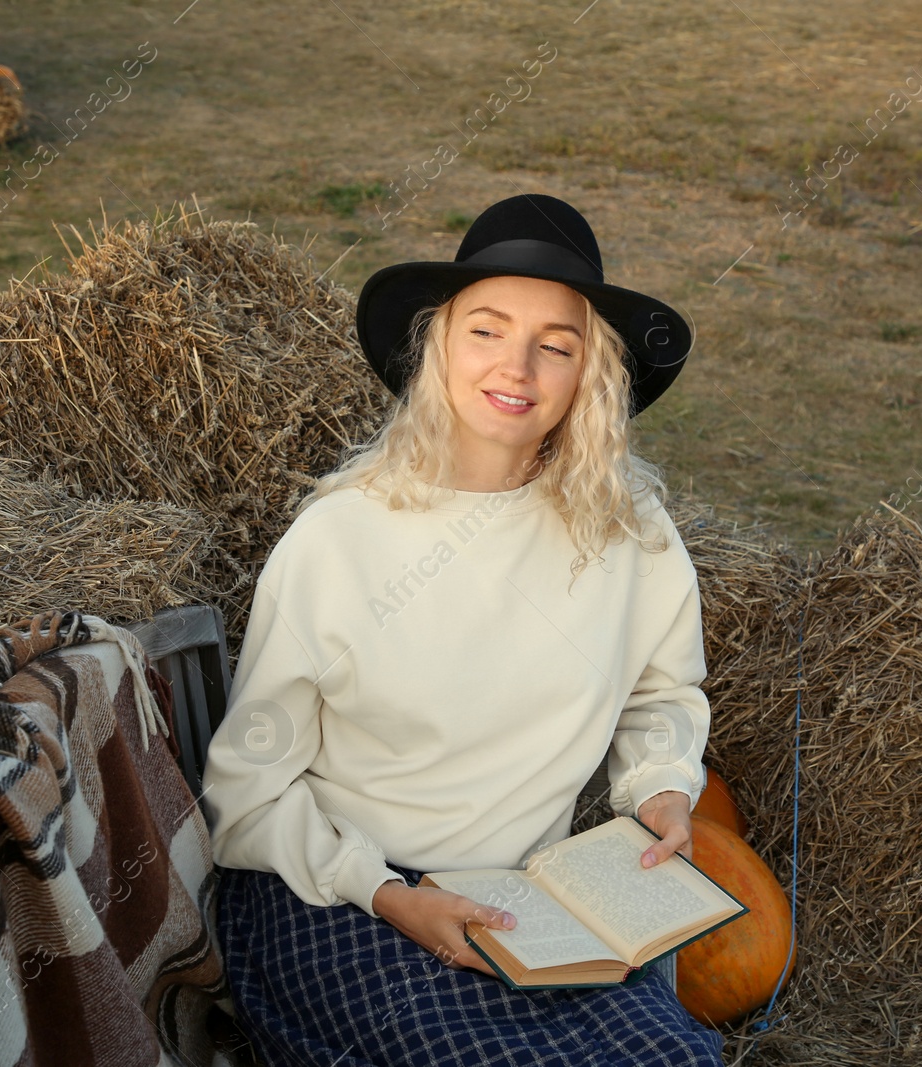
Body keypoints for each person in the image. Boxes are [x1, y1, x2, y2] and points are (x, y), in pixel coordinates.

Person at [201, 193, 723, 1065]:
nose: (516, 366)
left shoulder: (631, 535)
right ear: (438, 342)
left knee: (675, 1060)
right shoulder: (340, 538)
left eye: (555, 345)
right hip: (338, 894)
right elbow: (245, 792)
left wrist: (662, 786)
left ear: (589, 373)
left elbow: (664, 692)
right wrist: (388, 894)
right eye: (486, 329)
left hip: (530, 901)